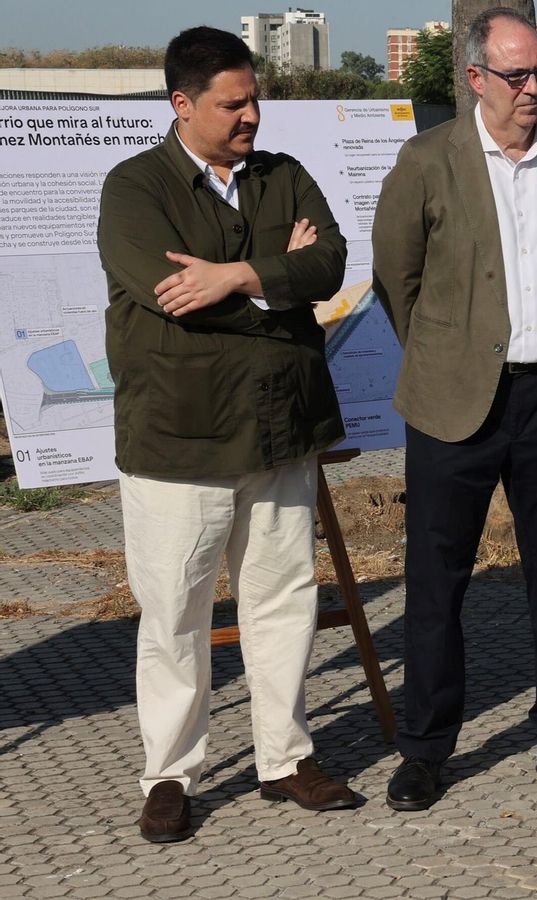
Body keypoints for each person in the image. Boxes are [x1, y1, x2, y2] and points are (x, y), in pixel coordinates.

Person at [96, 25, 358, 843]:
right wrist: (284, 291)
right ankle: (171, 774)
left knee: (282, 601)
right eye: (232, 103)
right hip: (182, 439)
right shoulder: (135, 189)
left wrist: (241, 275)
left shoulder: (284, 177)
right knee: (174, 614)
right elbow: (175, 292)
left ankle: (285, 758)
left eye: (255, 99)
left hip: (282, 430)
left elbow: (334, 263)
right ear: (182, 104)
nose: (251, 115)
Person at [372, 7, 537, 811]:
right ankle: (425, 751)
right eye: (516, 75)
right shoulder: (426, 161)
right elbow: (396, 279)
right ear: (475, 78)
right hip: (455, 401)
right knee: (436, 583)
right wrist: (450, 353)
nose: (533, 88)